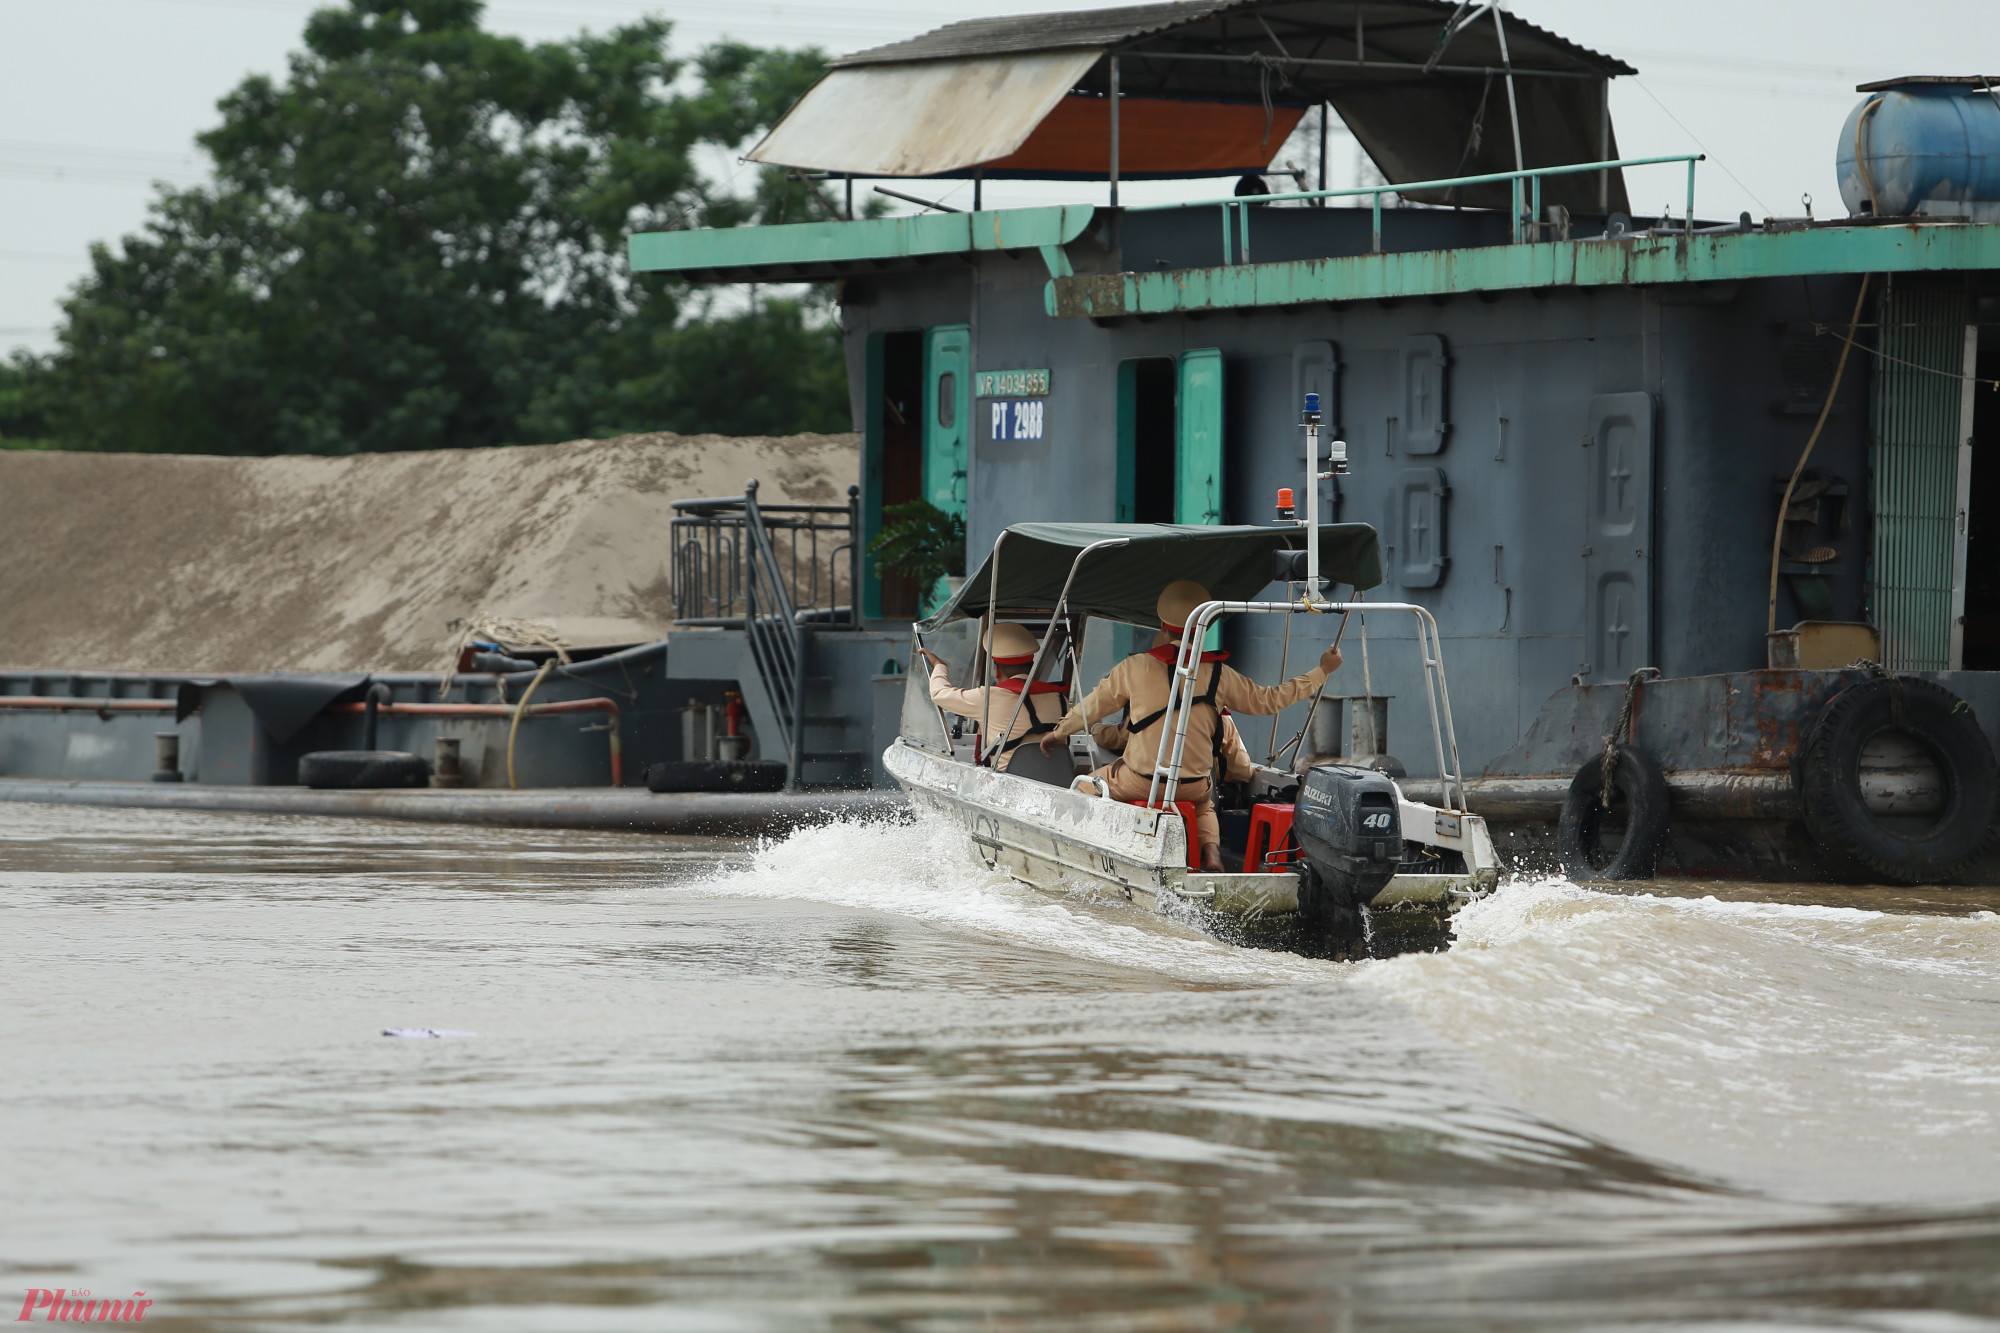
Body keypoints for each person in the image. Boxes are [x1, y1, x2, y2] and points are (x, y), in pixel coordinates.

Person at [1041, 580, 1339, 872]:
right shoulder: (1220, 674)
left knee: (1083, 785)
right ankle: (1212, 855)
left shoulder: (1135, 668)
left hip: (1142, 781)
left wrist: (1058, 733)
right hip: (1194, 785)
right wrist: (1322, 670)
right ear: (1203, 629)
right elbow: (1269, 701)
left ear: (1162, 625)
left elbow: (1092, 708)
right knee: (1204, 805)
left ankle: (1092, 862)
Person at [918, 621, 1066, 773]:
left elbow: (939, 694)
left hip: (1009, 784)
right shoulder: (1060, 699)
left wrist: (939, 665)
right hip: (1058, 780)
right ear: (1032, 667)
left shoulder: (986, 698)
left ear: (996, 670)